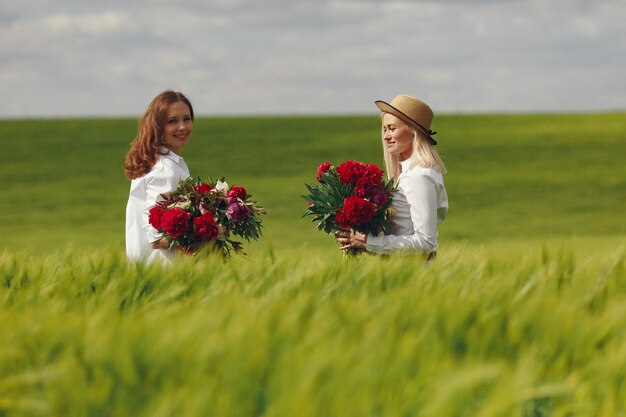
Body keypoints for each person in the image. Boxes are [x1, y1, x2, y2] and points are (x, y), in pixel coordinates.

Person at [336, 94, 448, 259]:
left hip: (414, 271)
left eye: (392, 128)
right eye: (384, 129)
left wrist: (369, 242)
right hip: (403, 267)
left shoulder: (419, 176)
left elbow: (425, 242)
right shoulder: (409, 173)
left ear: (412, 131)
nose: (386, 136)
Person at [124, 90, 194, 264]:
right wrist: (203, 239)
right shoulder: (165, 170)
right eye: (172, 121)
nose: (182, 127)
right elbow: (156, 238)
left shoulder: (158, 162)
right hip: (163, 268)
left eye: (187, 118)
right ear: (158, 126)